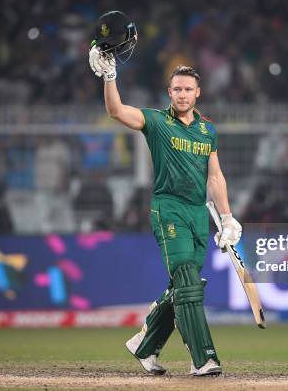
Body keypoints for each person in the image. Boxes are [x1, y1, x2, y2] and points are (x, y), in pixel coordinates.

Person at [89, 50, 242, 376]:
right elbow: (115, 110)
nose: (183, 94)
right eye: (177, 89)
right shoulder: (157, 121)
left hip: (199, 213)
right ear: (169, 92)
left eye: (188, 89)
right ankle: (204, 359)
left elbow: (214, 176)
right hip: (168, 208)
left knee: (184, 285)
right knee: (186, 276)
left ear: (197, 92)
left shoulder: (207, 130)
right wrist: (110, 75)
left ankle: (144, 346)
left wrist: (228, 218)